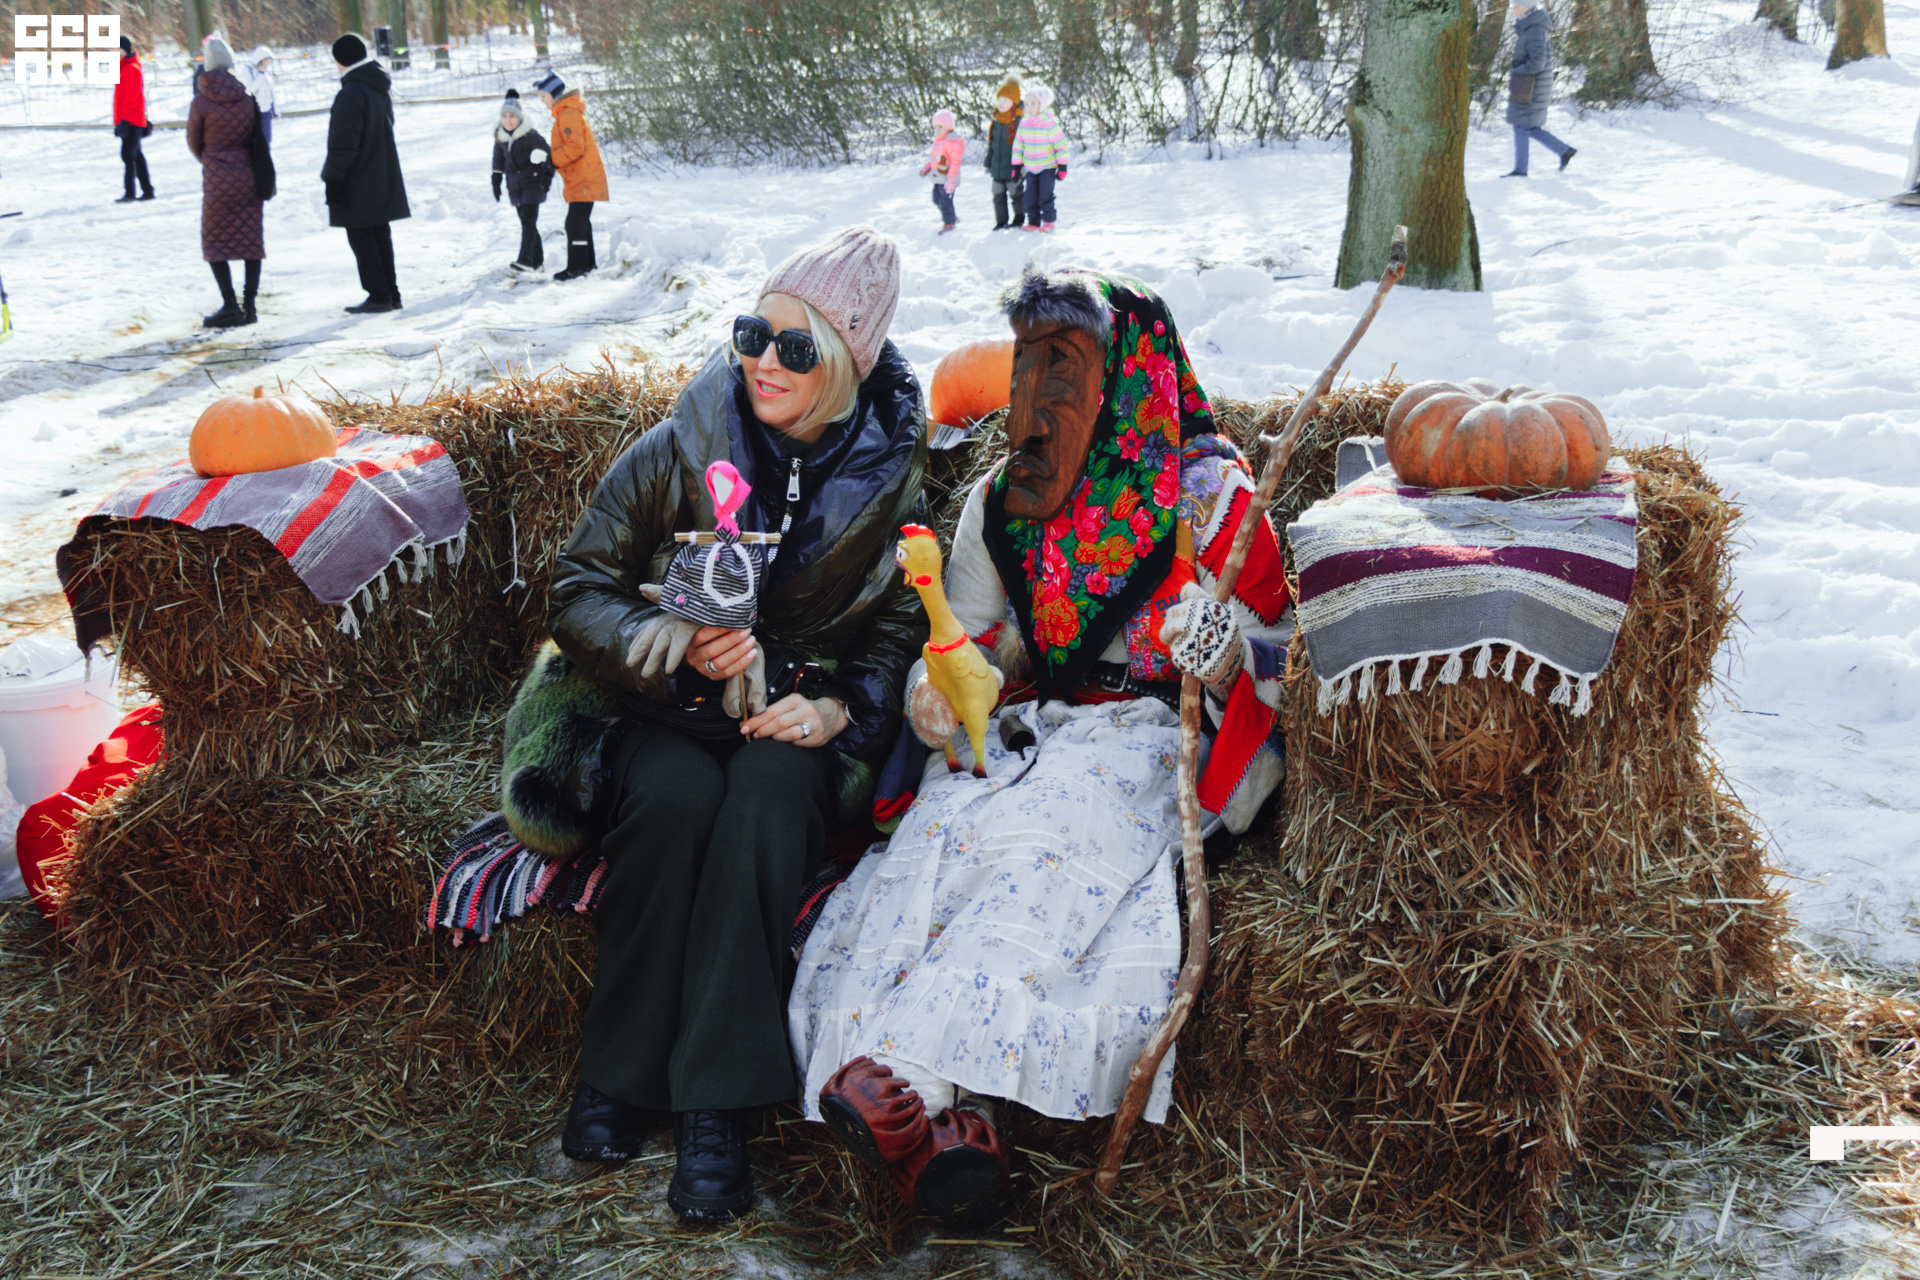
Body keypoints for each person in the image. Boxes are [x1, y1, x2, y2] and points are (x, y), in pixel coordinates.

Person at [791, 267, 1292, 1228]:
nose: (1035, 395)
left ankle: (903, 1079)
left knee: (1045, 854)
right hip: (1033, 726)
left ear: (1126, 375)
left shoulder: (1210, 499)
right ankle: (949, 1135)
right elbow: (964, 637)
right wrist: (938, 691)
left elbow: (1293, 662)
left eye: (1063, 369)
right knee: (936, 848)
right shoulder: (1004, 501)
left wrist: (1228, 651)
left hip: (1152, 736)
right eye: (1028, 366)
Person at [546, 225, 928, 1223]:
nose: (765, 360)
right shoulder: (680, 442)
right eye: (753, 333)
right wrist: (660, 639)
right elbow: (578, 585)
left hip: (793, 716)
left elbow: (901, 622)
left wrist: (843, 706)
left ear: (848, 360)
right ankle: (621, 1072)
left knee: (763, 806)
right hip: (666, 711)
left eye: (795, 346)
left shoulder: (889, 476)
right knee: (671, 801)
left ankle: (714, 1105)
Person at [323, 33, 410, 314]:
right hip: (380, 171)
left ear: (340, 61)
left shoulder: (351, 93)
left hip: (358, 177)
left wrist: (333, 178)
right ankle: (390, 292)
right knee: (379, 232)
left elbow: (343, 143)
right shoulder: (377, 85)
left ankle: (379, 294)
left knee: (362, 236)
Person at [186, 37, 264, 329]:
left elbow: (194, 142)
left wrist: (211, 160)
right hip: (249, 176)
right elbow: (258, 137)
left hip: (217, 179)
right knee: (251, 241)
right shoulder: (248, 97)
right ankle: (250, 306)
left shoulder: (201, 102)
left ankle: (230, 304)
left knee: (214, 241)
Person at [533, 70, 608, 281]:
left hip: (584, 178)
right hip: (581, 177)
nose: (543, 101)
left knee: (575, 223)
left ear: (554, 95)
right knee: (580, 222)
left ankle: (577, 267)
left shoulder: (567, 114)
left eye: (544, 96)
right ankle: (587, 263)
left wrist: (552, 159)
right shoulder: (565, 113)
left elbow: (575, 147)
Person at [1503, 0, 1576, 178]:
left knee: (1522, 125)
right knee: (1528, 126)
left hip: (1532, 86)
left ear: (1524, 7)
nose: (1512, 9)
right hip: (1529, 84)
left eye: (1514, 6)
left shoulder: (1535, 30)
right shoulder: (1531, 28)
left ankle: (1521, 170)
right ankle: (1564, 151)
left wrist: (1516, 71)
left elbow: (1537, 62)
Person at [492, 88, 556, 273]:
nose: (508, 120)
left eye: (512, 116)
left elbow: (550, 155)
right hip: (515, 187)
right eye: (505, 117)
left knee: (528, 222)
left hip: (533, 184)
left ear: (519, 118)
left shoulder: (530, 135)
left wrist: (546, 178)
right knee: (528, 224)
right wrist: (496, 179)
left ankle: (525, 260)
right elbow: (498, 159)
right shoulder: (501, 138)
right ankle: (537, 263)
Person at [1012, 82, 1067, 232]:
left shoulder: (1049, 124)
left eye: (1033, 103)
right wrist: (1016, 166)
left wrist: (1062, 166)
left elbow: (1061, 145)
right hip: (1030, 168)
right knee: (1030, 196)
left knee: (1045, 196)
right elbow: (1018, 147)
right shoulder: (1024, 124)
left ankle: (1048, 222)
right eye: (1027, 104)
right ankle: (1033, 221)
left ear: (1041, 105)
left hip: (1047, 167)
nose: (1029, 107)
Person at [113, 35, 155, 204]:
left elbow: (132, 98)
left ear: (123, 49)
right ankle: (147, 190)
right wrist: (119, 121)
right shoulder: (123, 68)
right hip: (127, 119)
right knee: (135, 155)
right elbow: (120, 99)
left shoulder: (131, 69)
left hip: (132, 120)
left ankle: (130, 193)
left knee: (128, 156)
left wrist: (124, 121)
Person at [984, 76, 1022, 230]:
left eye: (1005, 100)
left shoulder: (1018, 122)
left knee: (1016, 193)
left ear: (1014, 102)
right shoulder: (996, 122)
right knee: (998, 194)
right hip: (997, 167)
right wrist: (988, 162)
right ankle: (1001, 221)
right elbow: (992, 145)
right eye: (999, 99)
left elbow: (1023, 145)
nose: (1001, 103)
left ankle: (1019, 217)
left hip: (1013, 167)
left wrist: (1022, 165)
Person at [919, 108, 965, 234]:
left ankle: (949, 223)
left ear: (949, 127)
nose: (937, 130)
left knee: (945, 201)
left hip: (948, 179)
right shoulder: (938, 142)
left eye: (941, 127)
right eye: (935, 127)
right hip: (938, 178)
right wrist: (928, 167)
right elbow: (936, 160)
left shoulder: (953, 143)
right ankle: (951, 216)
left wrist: (951, 180)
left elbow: (955, 163)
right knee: (936, 199)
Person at [242, 46, 278, 144]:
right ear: (260, 60)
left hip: (266, 112)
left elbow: (271, 92)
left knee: (267, 140)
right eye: (266, 61)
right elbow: (248, 91)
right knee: (256, 141)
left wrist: (275, 111)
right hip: (253, 113)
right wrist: (261, 74)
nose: (267, 64)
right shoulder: (248, 70)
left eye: (269, 62)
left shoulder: (267, 72)